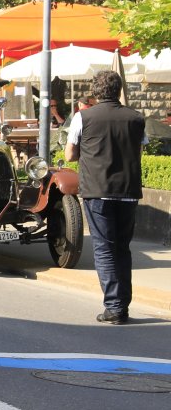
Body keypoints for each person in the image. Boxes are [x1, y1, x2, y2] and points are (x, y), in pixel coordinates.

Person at [64, 69, 145, 324]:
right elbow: (138, 150)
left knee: (104, 248)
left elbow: (69, 155)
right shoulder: (136, 118)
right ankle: (122, 305)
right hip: (128, 191)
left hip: (98, 190)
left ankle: (114, 307)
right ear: (118, 90)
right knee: (122, 248)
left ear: (96, 91)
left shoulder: (83, 117)